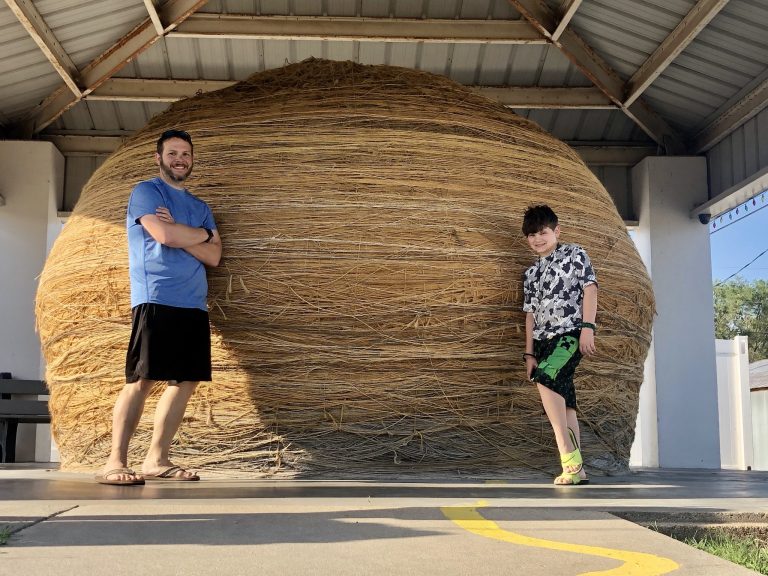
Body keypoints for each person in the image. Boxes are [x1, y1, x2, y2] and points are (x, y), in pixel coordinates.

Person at [97, 129, 222, 485]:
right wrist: (194, 234)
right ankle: (114, 461)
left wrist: (184, 231)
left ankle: (157, 459)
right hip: (156, 297)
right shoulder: (146, 192)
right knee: (142, 377)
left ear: (192, 159)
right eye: (172, 153)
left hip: (193, 303)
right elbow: (164, 236)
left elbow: (214, 256)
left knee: (185, 381)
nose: (179, 159)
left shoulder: (201, 207)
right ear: (159, 158)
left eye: (185, 153)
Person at [521, 205, 597, 486]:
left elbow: (590, 289)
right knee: (565, 404)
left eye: (542, 232)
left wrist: (588, 328)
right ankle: (577, 470)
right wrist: (529, 352)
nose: (537, 239)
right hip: (541, 341)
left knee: (545, 377)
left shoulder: (575, 254)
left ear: (556, 231)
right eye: (531, 235)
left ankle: (567, 456)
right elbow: (530, 314)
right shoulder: (530, 274)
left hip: (568, 336)